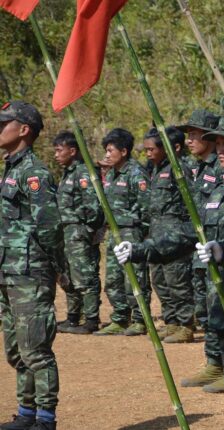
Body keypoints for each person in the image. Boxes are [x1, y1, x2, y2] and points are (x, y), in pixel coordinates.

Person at [117, 114, 224, 429]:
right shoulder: (219, 188)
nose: (219, 149)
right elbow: (190, 232)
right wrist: (140, 249)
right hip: (222, 302)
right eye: (217, 143)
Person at [0, 101, 63, 430]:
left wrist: (58, 267)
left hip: (30, 273)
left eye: (4, 124)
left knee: (35, 350)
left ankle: (45, 419)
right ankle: (26, 414)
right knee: (16, 350)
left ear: (24, 130)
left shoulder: (34, 172)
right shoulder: (10, 169)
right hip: (9, 272)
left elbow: (49, 226)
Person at [175, 109, 224, 391]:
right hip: (200, 249)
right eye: (189, 135)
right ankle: (213, 363)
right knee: (205, 310)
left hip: (218, 249)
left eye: (195, 134)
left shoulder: (222, 167)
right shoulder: (201, 168)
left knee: (221, 310)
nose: (189, 140)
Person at [140, 126, 196, 342]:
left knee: (177, 280)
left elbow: (191, 200)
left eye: (151, 149)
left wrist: (186, 233)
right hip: (156, 232)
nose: (148, 153)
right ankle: (171, 321)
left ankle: (186, 324)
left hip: (174, 233)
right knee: (159, 279)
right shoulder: (156, 169)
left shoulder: (178, 169)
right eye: (146, 150)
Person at [94, 128, 151, 336]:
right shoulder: (112, 174)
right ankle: (120, 317)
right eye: (106, 150)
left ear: (124, 151)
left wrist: (140, 233)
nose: (107, 154)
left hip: (131, 233)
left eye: (110, 150)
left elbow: (146, 208)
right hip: (115, 232)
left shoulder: (136, 173)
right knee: (113, 279)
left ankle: (140, 319)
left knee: (134, 278)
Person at [52, 131, 103, 335]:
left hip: (78, 232)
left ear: (72, 151)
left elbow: (93, 207)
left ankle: (91, 320)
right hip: (66, 231)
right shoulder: (68, 173)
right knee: (69, 277)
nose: (56, 155)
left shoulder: (83, 173)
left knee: (85, 277)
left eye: (59, 150)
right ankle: (73, 317)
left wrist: (85, 230)